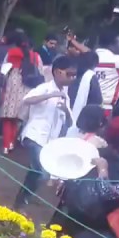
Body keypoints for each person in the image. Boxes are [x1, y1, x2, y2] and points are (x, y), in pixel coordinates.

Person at [14, 55, 79, 207]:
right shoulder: (45, 87)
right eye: (69, 74)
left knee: (35, 172)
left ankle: (21, 200)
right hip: (34, 135)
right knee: (41, 172)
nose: (72, 78)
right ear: (57, 72)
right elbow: (27, 100)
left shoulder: (65, 95)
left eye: (74, 75)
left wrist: (66, 110)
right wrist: (50, 95)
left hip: (49, 141)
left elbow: (70, 123)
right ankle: (23, 199)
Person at [0, 30, 43, 154]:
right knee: (18, 118)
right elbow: (40, 72)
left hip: (12, 85)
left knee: (8, 118)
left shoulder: (11, 53)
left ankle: (6, 145)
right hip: (27, 87)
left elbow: (4, 69)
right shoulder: (36, 56)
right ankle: (12, 142)